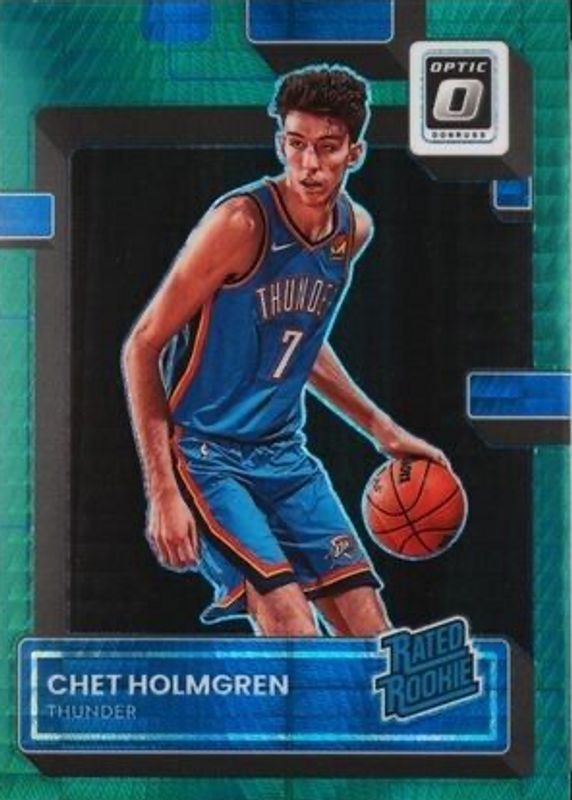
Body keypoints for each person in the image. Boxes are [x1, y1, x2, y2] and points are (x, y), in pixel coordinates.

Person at [122, 64, 448, 637]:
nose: (309, 164)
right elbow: (142, 345)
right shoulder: (240, 224)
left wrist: (382, 428)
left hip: (284, 455)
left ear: (355, 153)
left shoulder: (352, 231)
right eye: (296, 145)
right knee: (294, 626)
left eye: (327, 147)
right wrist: (163, 491)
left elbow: (302, 344)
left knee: (374, 636)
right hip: (207, 455)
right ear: (280, 145)